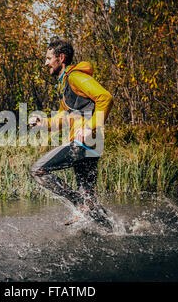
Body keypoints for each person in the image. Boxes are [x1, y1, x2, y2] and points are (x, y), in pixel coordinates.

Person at [29, 39, 114, 229]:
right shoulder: (64, 83)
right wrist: (43, 123)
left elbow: (105, 97)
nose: (46, 63)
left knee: (38, 170)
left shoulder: (74, 77)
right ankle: (117, 231)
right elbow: (63, 117)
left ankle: (80, 204)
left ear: (61, 58)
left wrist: (90, 127)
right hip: (90, 146)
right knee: (90, 204)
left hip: (83, 144)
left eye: (49, 58)